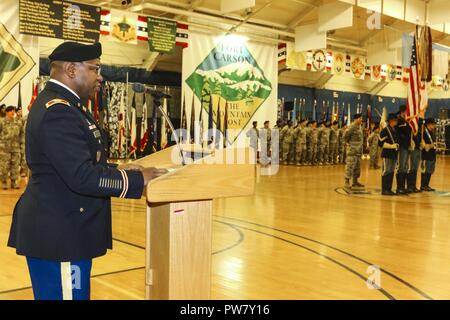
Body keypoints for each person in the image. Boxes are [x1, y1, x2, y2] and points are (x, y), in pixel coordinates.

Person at [7, 41, 168, 300]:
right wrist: (137, 180)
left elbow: (80, 161)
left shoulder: (69, 106)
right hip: (60, 238)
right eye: (95, 69)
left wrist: (120, 168)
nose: (100, 77)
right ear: (71, 69)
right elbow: (81, 177)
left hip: (65, 231)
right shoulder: (58, 111)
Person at [0, 105, 23, 189]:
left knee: (15, 166)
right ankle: (4, 182)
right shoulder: (2, 122)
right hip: (4, 149)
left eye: (13, 111)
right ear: (6, 112)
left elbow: (21, 135)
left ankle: (14, 182)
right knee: (4, 166)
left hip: (15, 148)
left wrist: (21, 147)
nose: (12, 112)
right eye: (10, 111)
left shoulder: (18, 123)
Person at [379, 114, 399, 196]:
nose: (396, 122)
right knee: (386, 171)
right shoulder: (385, 130)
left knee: (391, 171)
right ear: (391, 121)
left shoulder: (394, 130)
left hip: (393, 154)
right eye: (395, 120)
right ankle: (384, 189)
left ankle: (389, 189)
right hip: (387, 153)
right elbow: (380, 143)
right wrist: (391, 146)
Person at [344, 113, 364, 189]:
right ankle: (347, 181)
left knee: (357, 167)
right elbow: (345, 136)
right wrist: (350, 144)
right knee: (350, 166)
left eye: (361, 118)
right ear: (355, 119)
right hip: (352, 151)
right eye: (360, 118)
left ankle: (355, 182)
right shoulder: (351, 127)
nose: (361, 119)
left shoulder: (359, 127)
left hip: (358, 151)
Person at [395, 105, 411, 195]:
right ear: (402, 111)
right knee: (401, 165)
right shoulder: (398, 120)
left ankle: (403, 187)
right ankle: (399, 188)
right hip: (401, 145)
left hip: (407, 145)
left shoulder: (406, 120)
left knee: (405, 166)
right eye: (406, 111)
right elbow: (398, 132)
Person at [407, 118, 423, 193]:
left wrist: (422, 143)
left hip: (418, 149)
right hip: (413, 149)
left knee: (415, 168)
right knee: (412, 168)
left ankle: (413, 186)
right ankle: (410, 186)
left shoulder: (420, 130)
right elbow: (413, 138)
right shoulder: (412, 129)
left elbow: (420, 138)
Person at [420, 118, 437, 192]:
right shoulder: (424, 132)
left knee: (430, 170)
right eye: (433, 124)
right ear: (429, 124)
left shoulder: (431, 132)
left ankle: (426, 185)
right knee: (426, 170)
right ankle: (423, 185)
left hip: (432, 154)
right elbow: (423, 144)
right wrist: (430, 145)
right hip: (426, 154)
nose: (434, 126)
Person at [16, 107, 29, 177]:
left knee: (25, 156)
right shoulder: (24, 118)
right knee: (20, 156)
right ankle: (21, 170)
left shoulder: (34, 116)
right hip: (22, 139)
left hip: (29, 139)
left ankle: (24, 170)